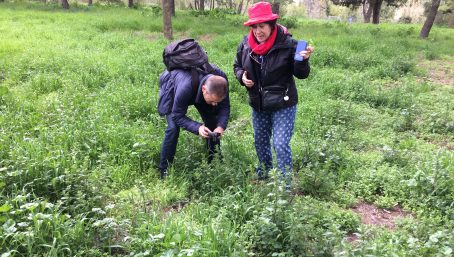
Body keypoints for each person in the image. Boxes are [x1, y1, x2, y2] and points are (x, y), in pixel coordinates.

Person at [233, 1, 314, 183]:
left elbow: (301, 75)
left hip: (283, 103)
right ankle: (264, 172)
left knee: (280, 143)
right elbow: (237, 65)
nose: (257, 31)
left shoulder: (292, 44)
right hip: (258, 102)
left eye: (261, 26)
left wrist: (303, 61)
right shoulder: (246, 44)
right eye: (254, 27)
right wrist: (241, 76)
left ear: (272, 25)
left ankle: (285, 184)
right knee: (260, 142)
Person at [158, 67, 230, 179]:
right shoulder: (185, 88)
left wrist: (220, 127)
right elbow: (177, 115)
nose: (215, 104)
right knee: (173, 128)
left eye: (217, 101)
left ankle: (214, 161)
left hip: (196, 86)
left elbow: (225, 106)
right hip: (172, 83)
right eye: (212, 101)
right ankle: (164, 170)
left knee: (212, 122)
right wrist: (198, 128)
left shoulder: (220, 80)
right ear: (204, 89)